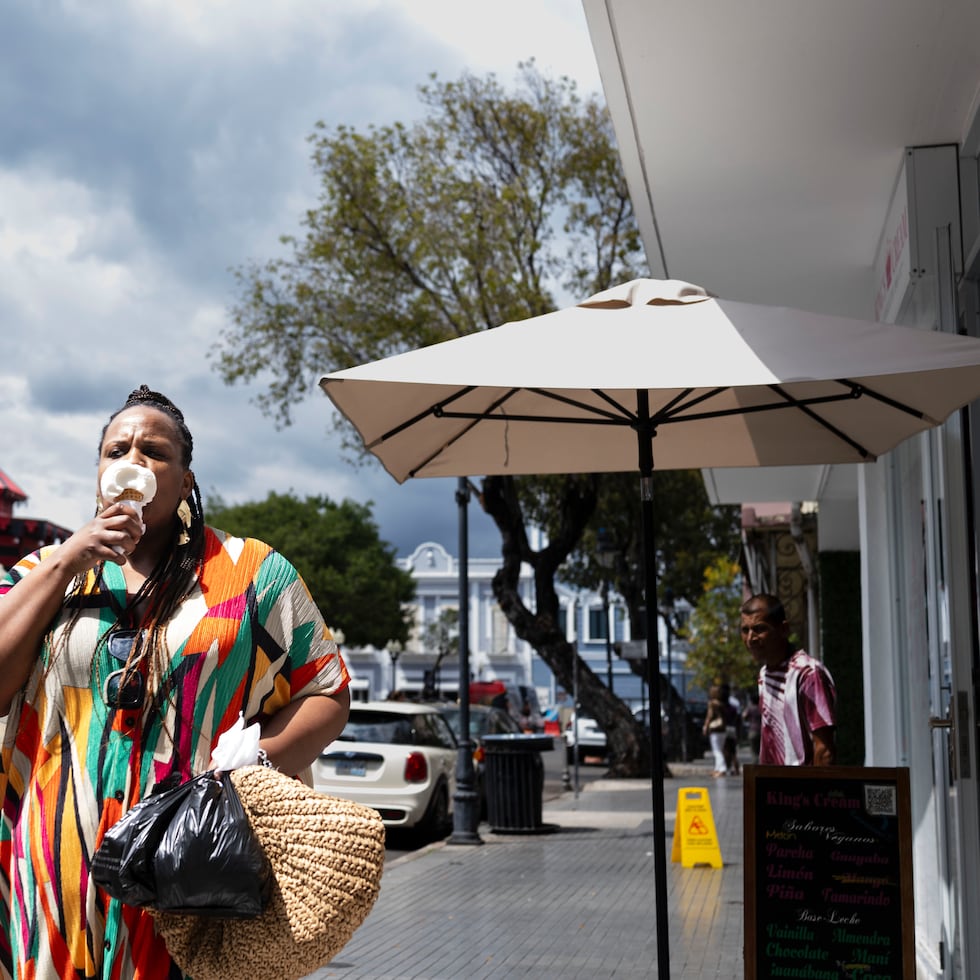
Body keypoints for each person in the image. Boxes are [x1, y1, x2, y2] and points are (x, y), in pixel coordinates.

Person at [0, 386, 351, 978]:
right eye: (117, 449)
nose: (132, 461)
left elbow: (328, 690)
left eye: (154, 452)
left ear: (185, 481)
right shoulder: (43, 572)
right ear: (99, 474)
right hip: (50, 873)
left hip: (189, 872)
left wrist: (245, 774)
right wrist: (68, 560)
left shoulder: (252, 574)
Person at [740, 593, 836, 766]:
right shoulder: (764, 674)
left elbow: (824, 751)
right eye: (745, 630)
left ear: (784, 629)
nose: (750, 639)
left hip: (800, 791)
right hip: (773, 789)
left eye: (759, 629)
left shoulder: (807, 674)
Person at [702, 684, 729, 777]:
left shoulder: (712, 703)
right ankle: (717, 768)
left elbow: (709, 716)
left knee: (716, 750)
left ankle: (722, 769)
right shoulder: (723, 703)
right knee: (720, 750)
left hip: (715, 729)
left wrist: (705, 726)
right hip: (723, 729)